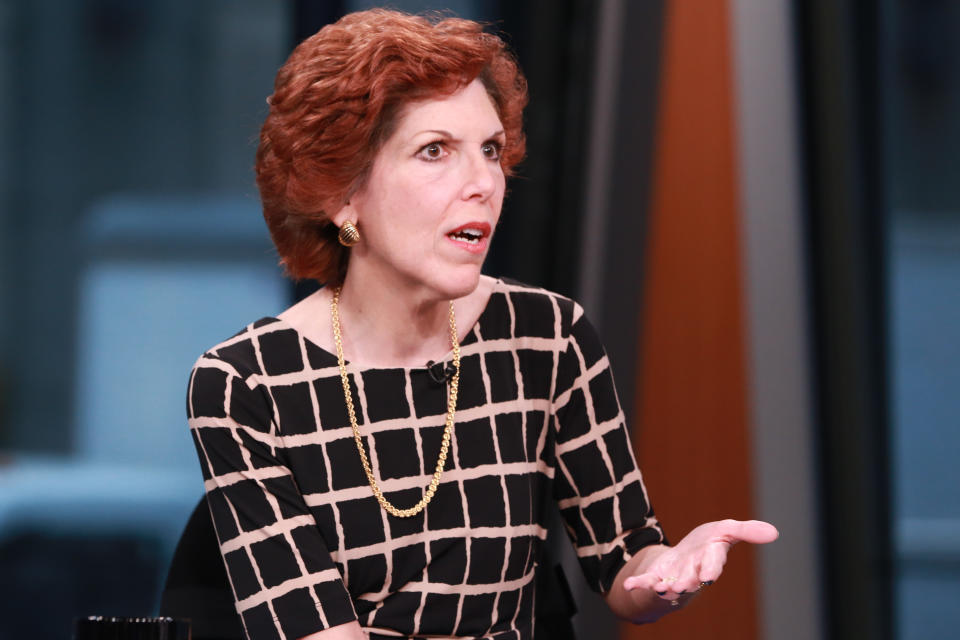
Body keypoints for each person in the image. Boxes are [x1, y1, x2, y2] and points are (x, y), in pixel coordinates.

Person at [186, 9, 778, 640]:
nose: (483, 183)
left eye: (491, 151)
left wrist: (669, 570)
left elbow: (625, 569)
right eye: (435, 151)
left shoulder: (548, 337)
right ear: (342, 193)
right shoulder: (245, 385)